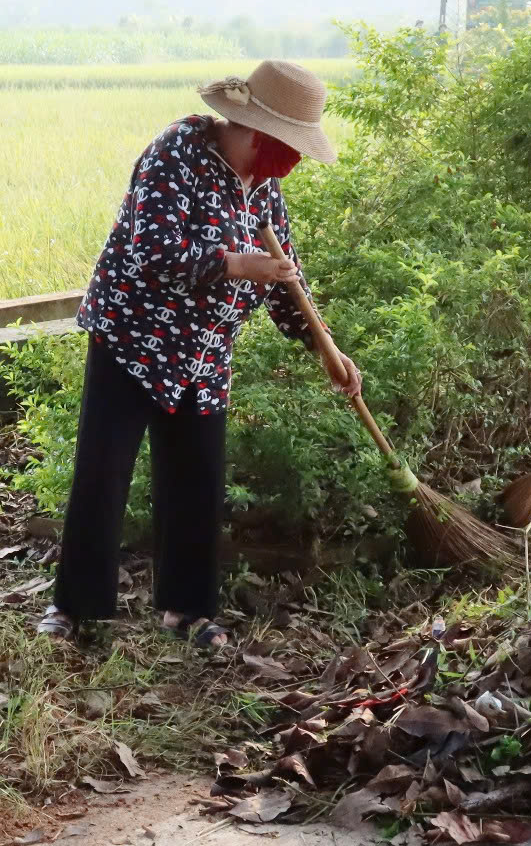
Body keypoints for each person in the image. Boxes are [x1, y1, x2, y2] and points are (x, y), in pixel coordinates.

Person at [38, 60, 362, 653]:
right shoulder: (176, 153)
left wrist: (325, 347)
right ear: (256, 129)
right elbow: (152, 250)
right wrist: (238, 264)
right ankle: (74, 608)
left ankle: (187, 610)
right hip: (133, 336)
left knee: (197, 478)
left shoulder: (264, 185)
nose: (287, 161)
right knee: (103, 473)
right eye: (285, 145)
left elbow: (286, 276)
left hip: (205, 350)